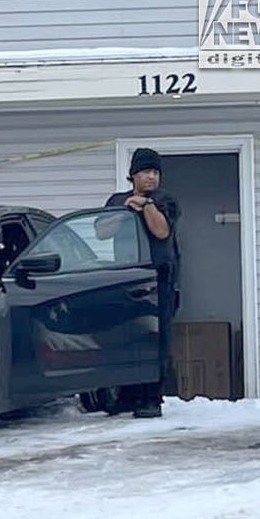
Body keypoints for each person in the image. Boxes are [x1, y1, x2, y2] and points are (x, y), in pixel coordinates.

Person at [102, 147, 182, 418]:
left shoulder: (165, 200)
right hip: (124, 279)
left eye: (156, 173)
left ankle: (151, 398)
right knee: (125, 336)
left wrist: (146, 205)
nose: (152, 178)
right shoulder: (116, 200)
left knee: (156, 338)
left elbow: (161, 231)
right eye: (146, 172)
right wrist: (126, 208)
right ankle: (126, 395)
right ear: (133, 174)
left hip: (158, 280)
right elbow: (103, 231)